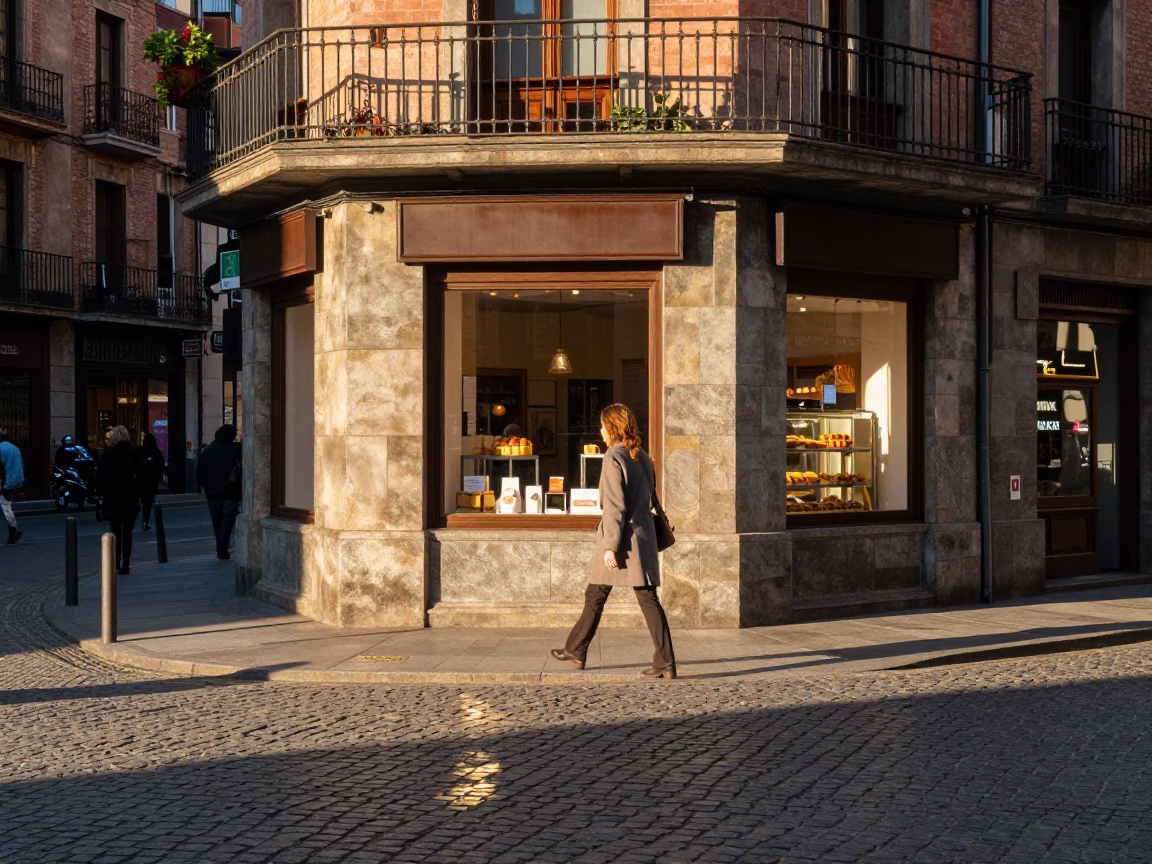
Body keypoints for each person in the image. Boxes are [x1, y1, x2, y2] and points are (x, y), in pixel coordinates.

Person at [551, 403, 676, 679]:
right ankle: (576, 648)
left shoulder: (613, 456)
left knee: (626, 597)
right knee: (603, 595)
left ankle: (664, 661)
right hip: (641, 537)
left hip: (621, 539)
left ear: (612, 427)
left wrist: (610, 547)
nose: (600, 431)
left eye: (602, 426)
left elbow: (615, 505)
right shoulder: (641, 455)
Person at [96, 425, 146, 574]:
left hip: (112, 498)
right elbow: (142, 475)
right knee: (128, 533)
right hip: (130, 498)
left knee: (115, 532)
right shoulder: (133, 452)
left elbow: (100, 477)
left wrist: (100, 494)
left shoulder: (107, 454)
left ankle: (116, 563)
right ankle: (126, 564)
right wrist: (139, 494)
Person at [197, 424, 242, 560]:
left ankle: (221, 549)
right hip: (230, 492)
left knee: (217, 522)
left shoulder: (209, 450)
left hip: (212, 493)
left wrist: (206, 487)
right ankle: (222, 549)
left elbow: (200, 472)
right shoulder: (236, 449)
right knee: (227, 523)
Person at [0, 429, 24, 545]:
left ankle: (14, 531)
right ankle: (13, 532)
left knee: (6, 507)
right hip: (13, 480)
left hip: (4, 481)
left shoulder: (1, 449)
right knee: (7, 507)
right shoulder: (15, 448)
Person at [139, 433, 167, 531]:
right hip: (151, 482)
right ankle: (145, 521)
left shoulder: (140, 451)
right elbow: (161, 465)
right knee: (148, 502)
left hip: (140, 480)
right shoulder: (156, 452)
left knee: (143, 500)